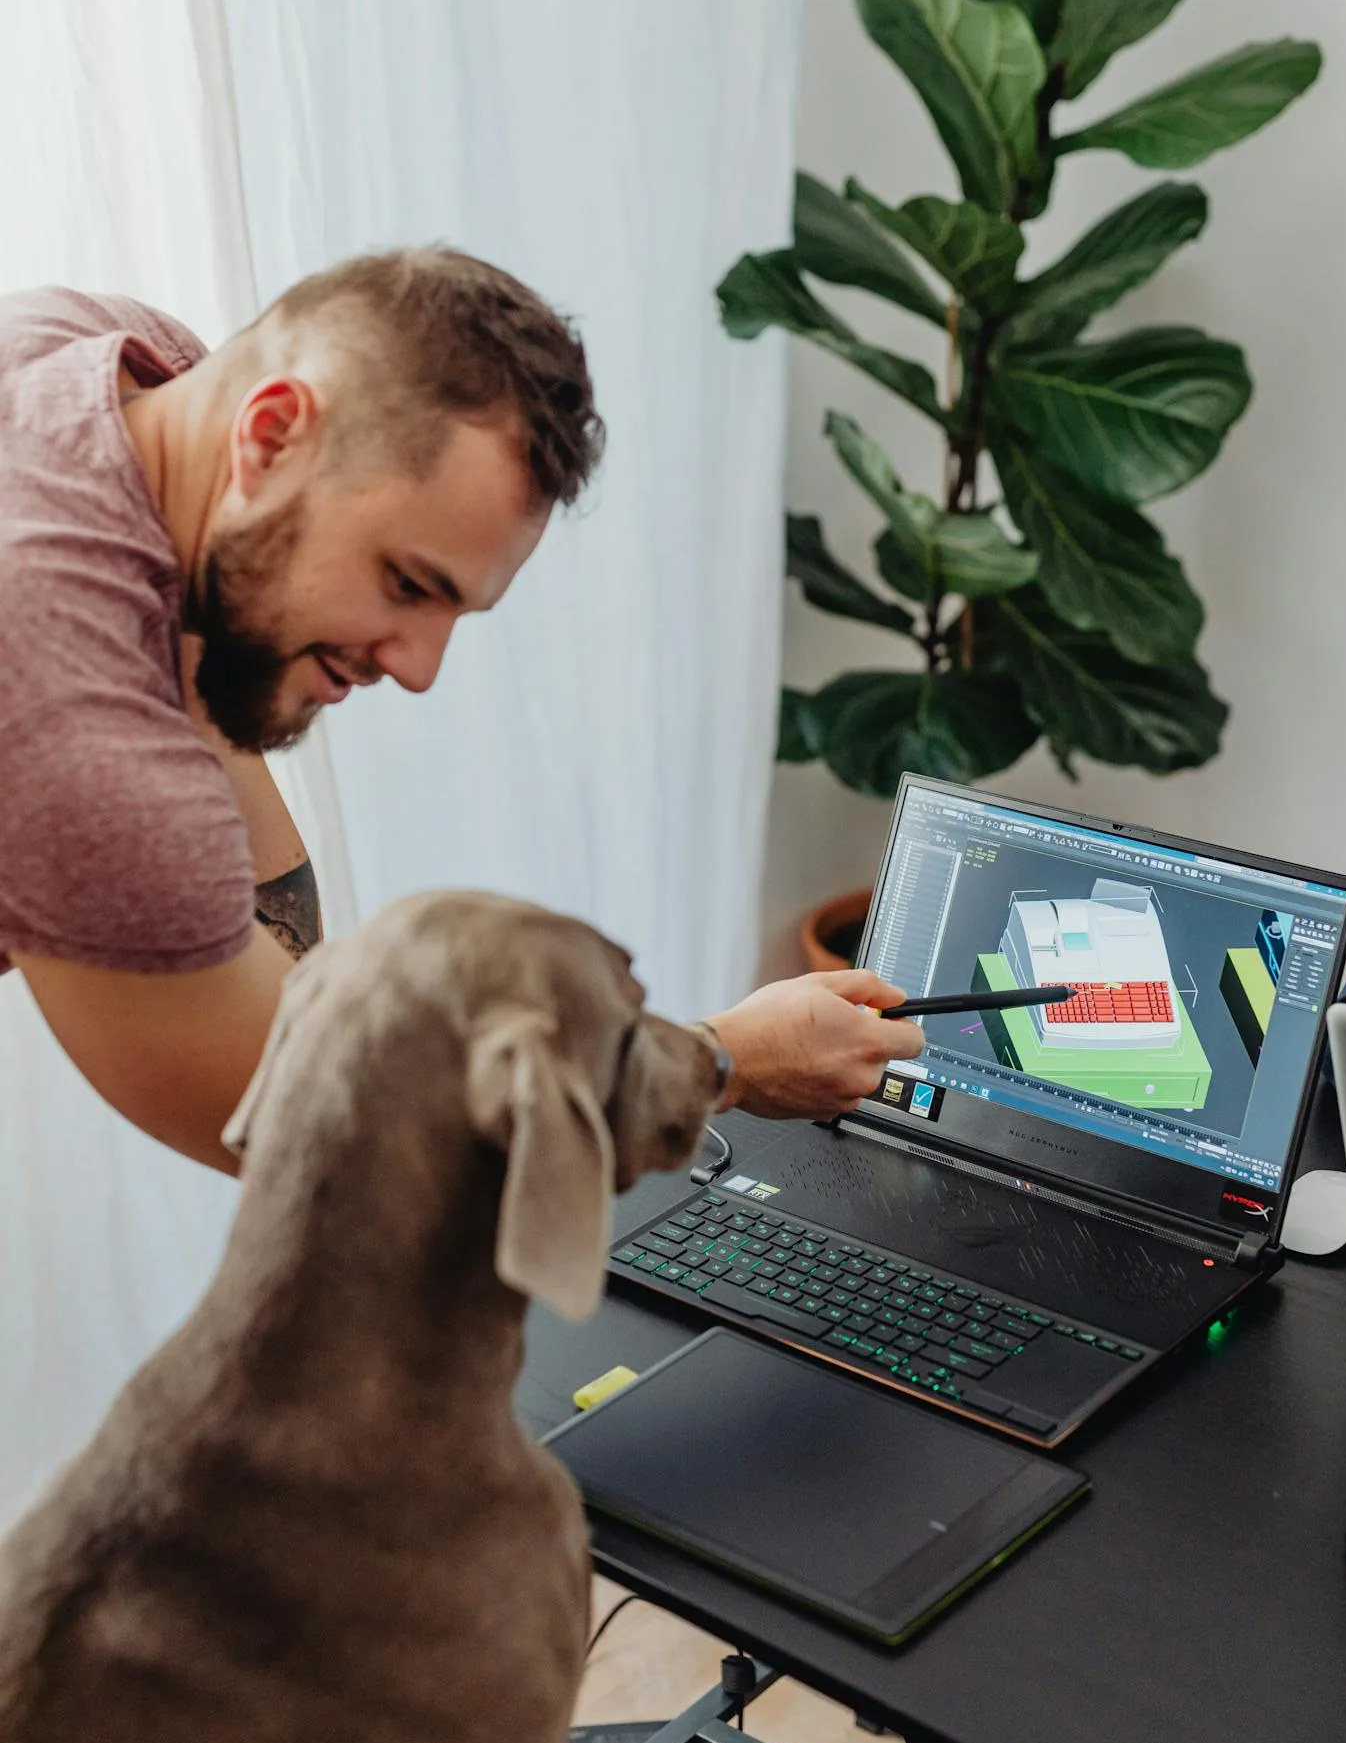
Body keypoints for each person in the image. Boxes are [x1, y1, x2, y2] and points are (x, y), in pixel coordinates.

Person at [0, 250, 925, 1174]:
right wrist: (727, 1059)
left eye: (453, 611)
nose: (418, 668)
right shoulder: (71, 703)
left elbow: (295, 996)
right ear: (271, 433)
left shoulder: (120, 363)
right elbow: (321, 1129)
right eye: (407, 583)